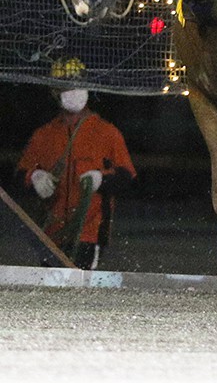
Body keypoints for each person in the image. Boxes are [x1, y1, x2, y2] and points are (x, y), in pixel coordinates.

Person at [15, 58, 137, 269]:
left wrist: (100, 179)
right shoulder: (43, 135)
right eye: (66, 85)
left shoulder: (107, 132)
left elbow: (127, 176)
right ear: (55, 91)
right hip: (51, 234)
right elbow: (19, 175)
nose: (74, 91)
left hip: (89, 233)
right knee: (51, 285)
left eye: (78, 83)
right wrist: (34, 177)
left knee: (79, 284)